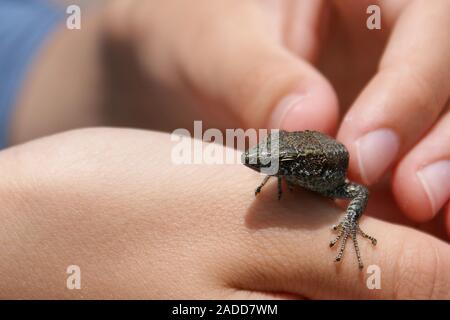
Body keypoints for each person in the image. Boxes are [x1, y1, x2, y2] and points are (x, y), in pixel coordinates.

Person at [0, 0, 449, 299]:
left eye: (275, 163)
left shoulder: (321, 170)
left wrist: (107, 63)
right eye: (267, 158)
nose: (256, 163)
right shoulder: (282, 158)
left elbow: (358, 193)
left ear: (300, 164)